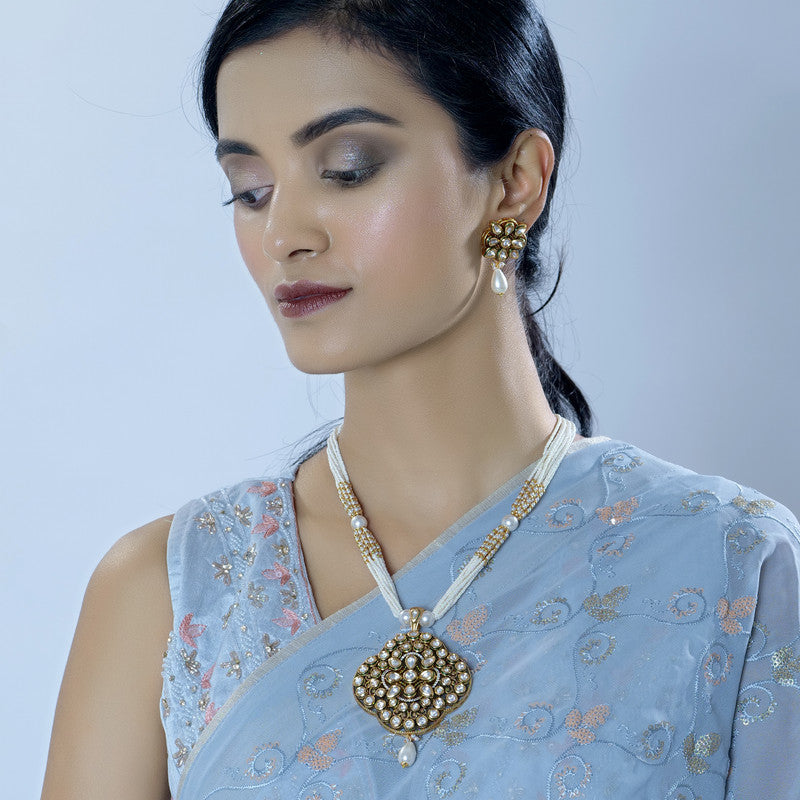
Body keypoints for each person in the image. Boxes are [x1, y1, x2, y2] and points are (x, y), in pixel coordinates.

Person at [41, 1, 800, 798]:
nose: (283, 234)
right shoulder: (169, 597)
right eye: (252, 190)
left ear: (515, 184)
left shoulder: (729, 563)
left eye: (347, 169)